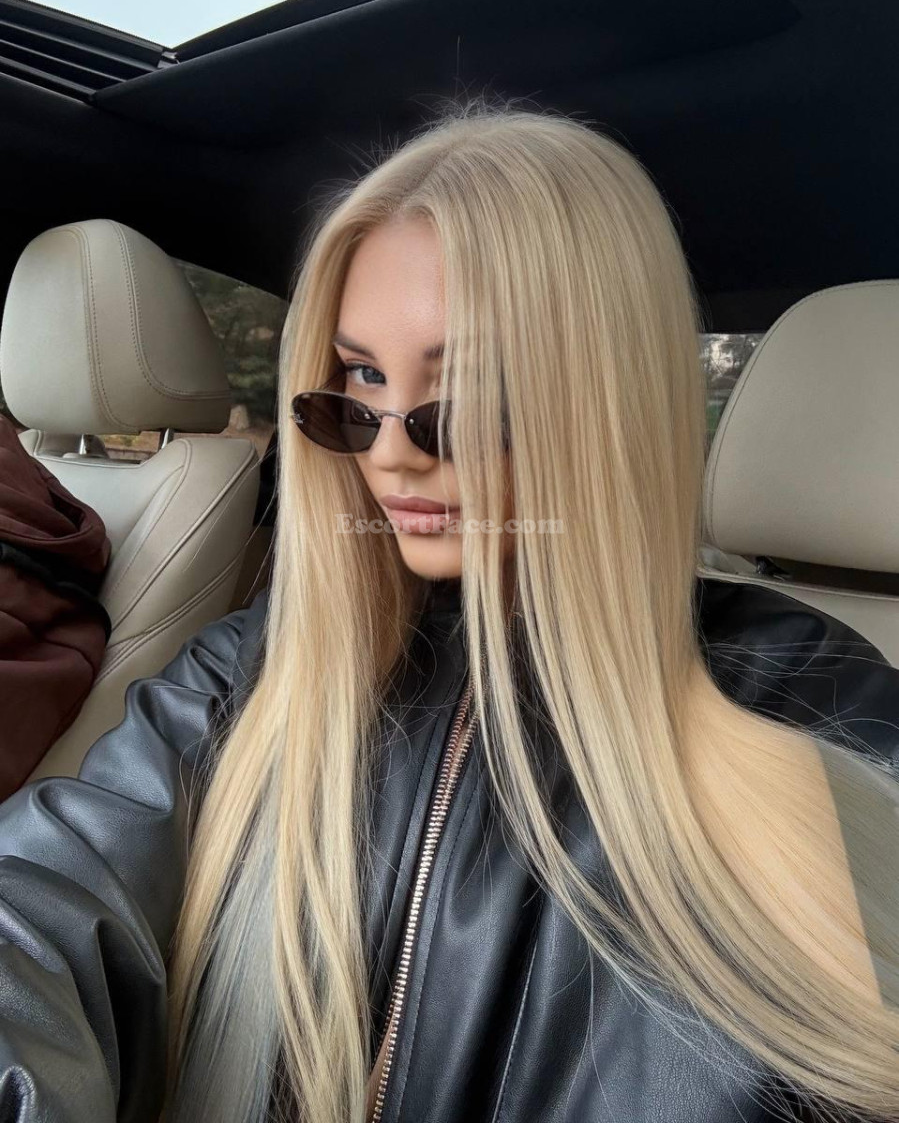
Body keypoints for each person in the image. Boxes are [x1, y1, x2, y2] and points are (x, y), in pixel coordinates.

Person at [0, 97, 897, 1123]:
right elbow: (43, 900)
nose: (389, 451)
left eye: (468, 391)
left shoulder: (811, 707)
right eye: (360, 378)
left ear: (602, 397)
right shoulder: (254, 671)